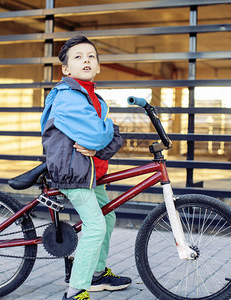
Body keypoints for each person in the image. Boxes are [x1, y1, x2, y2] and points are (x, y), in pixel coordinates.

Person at [40, 35, 130, 300]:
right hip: (73, 172)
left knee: (108, 215)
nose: (86, 60)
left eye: (91, 56)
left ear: (99, 66)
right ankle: (77, 288)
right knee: (95, 225)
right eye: (78, 57)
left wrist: (103, 139)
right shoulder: (68, 97)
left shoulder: (94, 99)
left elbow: (102, 140)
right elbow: (101, 135)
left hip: (89, 172)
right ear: (66, 69)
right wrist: (109, 132)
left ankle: (97, 273)